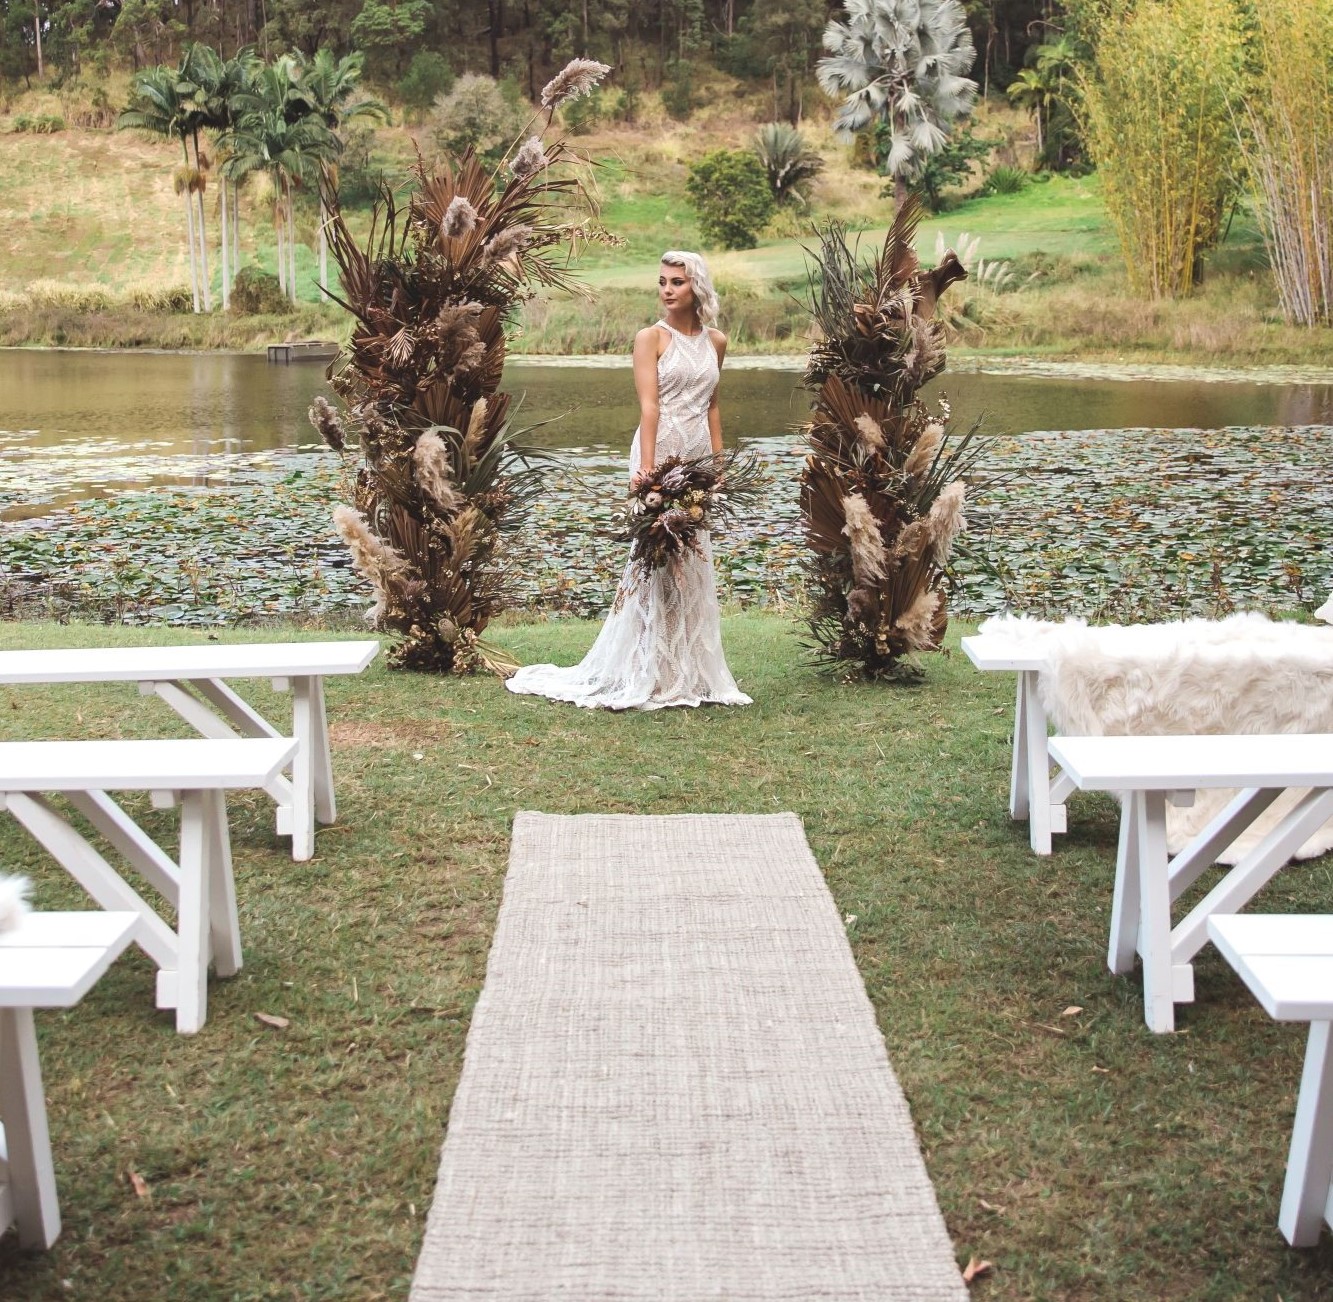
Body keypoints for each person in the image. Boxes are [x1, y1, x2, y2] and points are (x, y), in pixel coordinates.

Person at [506, 251, 752, 711]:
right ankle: (646, 667)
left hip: (698, 453)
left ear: (696, 287)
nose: (666, 290)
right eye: (661, 282)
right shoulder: (649, 338)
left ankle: (687, 669)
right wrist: (648, 467)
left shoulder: (717, 340)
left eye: (676, 282)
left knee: (693, 559)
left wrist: (718, 464)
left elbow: (714, 405)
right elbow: (649, 407)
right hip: (659, 452)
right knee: (656, 555)